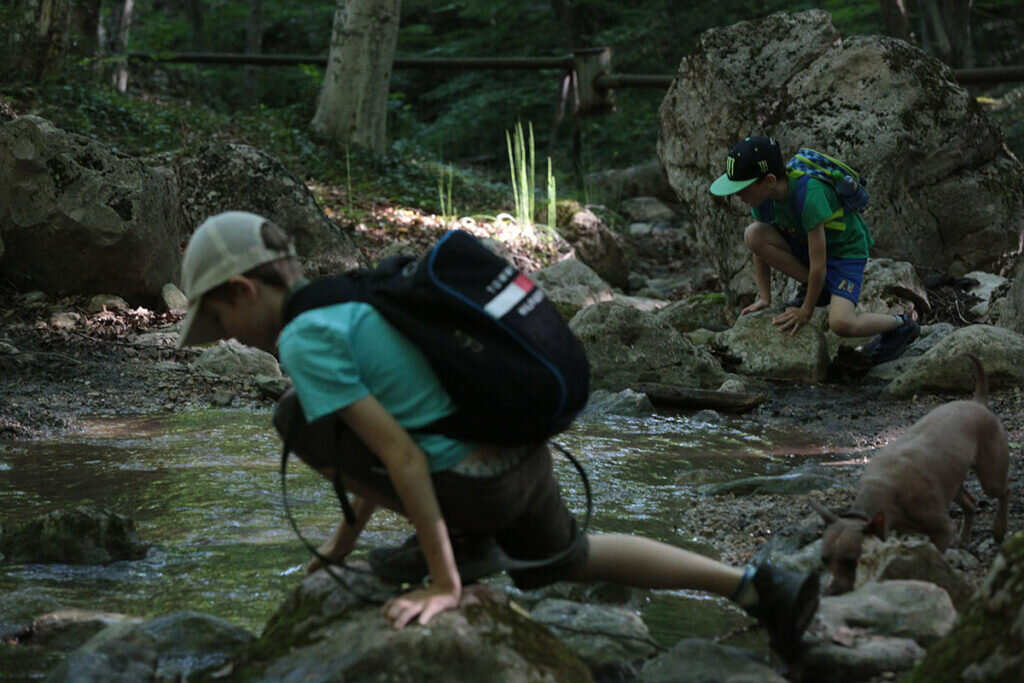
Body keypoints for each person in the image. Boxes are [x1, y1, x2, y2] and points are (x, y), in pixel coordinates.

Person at [176, 210, 819, 657]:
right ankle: (759, 586)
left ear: (241, 287)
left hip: (475, 489)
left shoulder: (304, 338)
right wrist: (339, 547)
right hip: (522, 456)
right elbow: (396, 432)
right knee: (570, 558)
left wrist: (443, 582)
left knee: (292, 416)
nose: (226, 335)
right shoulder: (350, 296)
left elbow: (395, 454)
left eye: (219, 317)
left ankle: (463, 544)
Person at [710, 135, 919, 363]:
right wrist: (764, 297)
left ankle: (901, 324)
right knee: (753, 234)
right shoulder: (763, 201)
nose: (738, 196)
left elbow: (818, 265)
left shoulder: (809, 193)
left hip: (844, 254)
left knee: (841, 323)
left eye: (743, 189)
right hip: (804, 244)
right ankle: (820, 291)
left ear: (769, 180)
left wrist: (805, 312)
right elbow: (758, 250)